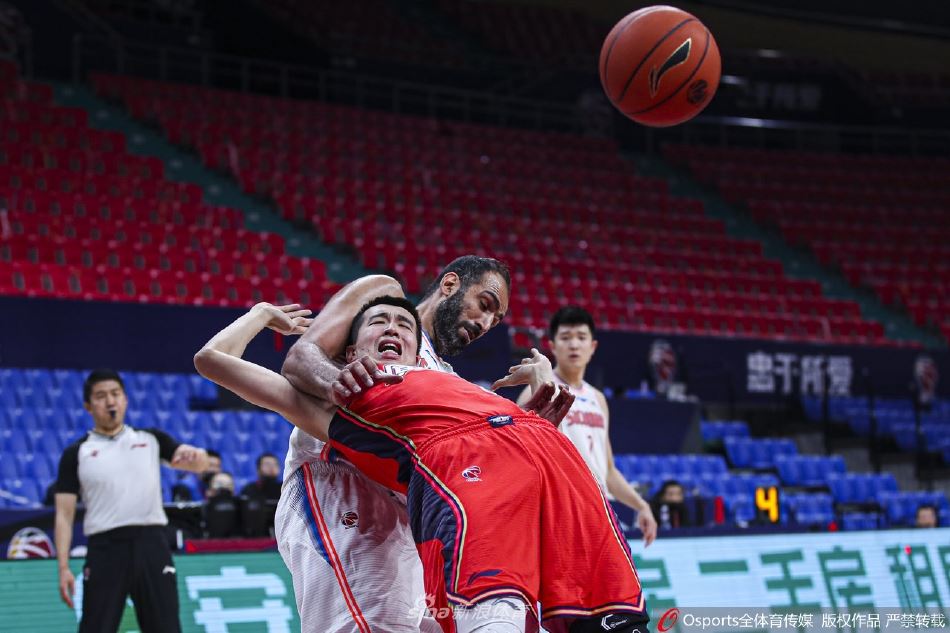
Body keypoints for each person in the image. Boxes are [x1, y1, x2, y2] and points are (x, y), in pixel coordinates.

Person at [195, 297, 644, 633]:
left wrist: (527, 417)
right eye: (378, 321)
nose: (393, 327)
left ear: (417, 352)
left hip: (515, 472)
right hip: (420, 488)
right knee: (471, 611)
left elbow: (481, 435)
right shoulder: (343, 394)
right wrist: (260, 314)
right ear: (350, 352)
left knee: (601, 608)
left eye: (405, 325)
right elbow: (213, 360)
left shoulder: (448, 382)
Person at [273, 256, 560, 632]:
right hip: (339, 487)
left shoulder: (447, 380)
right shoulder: (385, 298)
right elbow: (301, 358)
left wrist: (532, 429)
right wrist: (342, 385)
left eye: (495, 319)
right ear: (450, 285)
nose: (485, 323)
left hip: (408, 517)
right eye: (485, 304)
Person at [54, 369, 210, 633]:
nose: (110, 401)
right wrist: (63, 567)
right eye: (101, 396)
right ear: (88, 406)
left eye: (115, 394)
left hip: (152, 544)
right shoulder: (76, 453)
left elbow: (198, 464)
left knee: (166, 628)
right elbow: (64, 515)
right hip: (105, 548)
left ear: (125, 399)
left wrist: (199, 457)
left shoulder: (151, 439)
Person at [516, 306, 658, 547]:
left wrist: (641, 505)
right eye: (565, 338)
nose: (574, 345)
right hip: (561, 511)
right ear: (552, 346)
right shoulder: (537, 391)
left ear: (592, 347)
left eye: (581, 338)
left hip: (599, 510)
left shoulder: (598, 399)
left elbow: (608, 471)